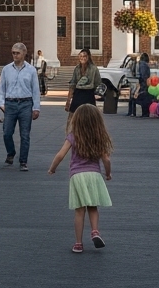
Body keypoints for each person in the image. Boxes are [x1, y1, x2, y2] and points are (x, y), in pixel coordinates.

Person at [47, 103, 112, 254]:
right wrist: (108, 174)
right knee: (93, 207)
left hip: (77, 176)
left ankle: (78, 243)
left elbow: (60, 155)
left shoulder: (73, 136)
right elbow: (106, 160)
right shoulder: (99, 137)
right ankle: (95, 231)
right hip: (94, 175)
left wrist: (52, 169)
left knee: (79, 210)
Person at [0, 42, 41, 171]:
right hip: (10, 103)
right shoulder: (6, 69)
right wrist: (1, 104)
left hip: (25, 104)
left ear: (24, 53)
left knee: (25, 134)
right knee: (7, 132)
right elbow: (1, 88)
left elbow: (35, 90)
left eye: (17, 53)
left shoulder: (31, 70)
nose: (15, 55)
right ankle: (11, 153)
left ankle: (23, 161)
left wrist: (36, 108)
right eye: (13, 53)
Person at [67, 48, 101, 112]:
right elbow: (72, 84)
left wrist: (96, 94)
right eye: (81, 56)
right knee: (73, 116)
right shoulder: (77, 68)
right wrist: (68, 101)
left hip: (88, 94)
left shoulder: (94, 68)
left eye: (85, 56)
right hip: (78, 94)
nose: (83, 58)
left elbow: (98, 83)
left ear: (88, 57)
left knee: (89, 117)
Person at [127, 52, 153, 117]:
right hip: (143, 84)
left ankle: (132, 112)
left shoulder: (140, 64)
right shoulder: (144, 65)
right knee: (143, 98)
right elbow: (144, 75)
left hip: (139, 83)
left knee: (134, 97)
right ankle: (144, 113)